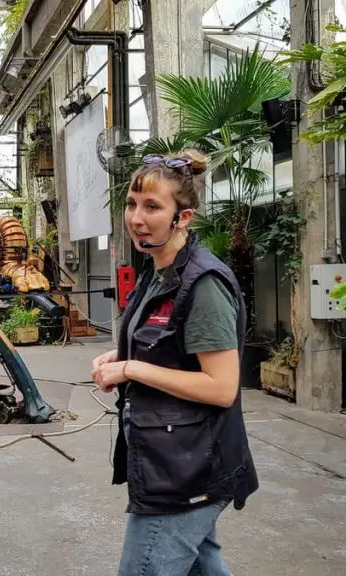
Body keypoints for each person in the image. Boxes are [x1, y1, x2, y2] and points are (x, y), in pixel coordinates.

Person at [90, 150, 258, 576]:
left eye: (152, 207)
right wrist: (124, 354)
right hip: (170, 455)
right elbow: (170, 345)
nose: (136, 218)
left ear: (183, 218)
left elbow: (221, 387)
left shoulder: (202, 284)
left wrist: (131, 369)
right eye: (132, 204)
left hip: (190, 470)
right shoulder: (158, 270)